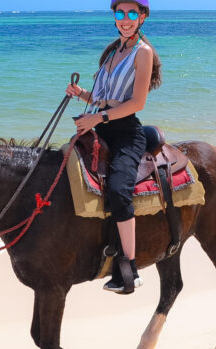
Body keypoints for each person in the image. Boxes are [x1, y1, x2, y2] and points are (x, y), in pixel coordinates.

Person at [66, 0, 162, 293]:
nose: (125, 18)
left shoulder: (142, 53)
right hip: (101, 127)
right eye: (120, 13)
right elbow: (101, 97)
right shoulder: (111, 52)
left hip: (125, 132)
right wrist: (81, 94)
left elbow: (137, 102)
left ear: (142, 17)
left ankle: (129, 269)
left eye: (132, 13)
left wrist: (99, 117)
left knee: (119, 190)